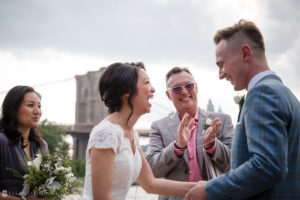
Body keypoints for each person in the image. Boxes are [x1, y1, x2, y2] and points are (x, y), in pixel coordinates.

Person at [185, 19, 300, 200]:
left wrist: (210, 189)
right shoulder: (286, 94)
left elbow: (267, 166)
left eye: (221, 64)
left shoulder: (262, 93)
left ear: (245, 53)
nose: (220, 74)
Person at [81, 62, 197, 200]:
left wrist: (203, 186)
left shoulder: (132, 133)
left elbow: (151, 184)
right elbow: (101, 197)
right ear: (127, 91)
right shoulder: (105, 133)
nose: (153, 89)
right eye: (147, 83)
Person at [146, 67, 234, 200]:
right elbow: (153, 170)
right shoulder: (159, 127)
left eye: (189, 86)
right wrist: (178, 146)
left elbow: (235, 165)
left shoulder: (222, 120)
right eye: (176, 89)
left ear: (196, 88)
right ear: (168, 95)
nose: (184, 91)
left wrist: (213, 146)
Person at [0, 86, 48, 200]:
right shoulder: (1, 141)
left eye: (39, 106)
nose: (37, 111)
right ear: (13, 108)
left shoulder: (41, 145)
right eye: (30, 105)